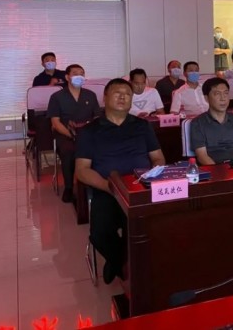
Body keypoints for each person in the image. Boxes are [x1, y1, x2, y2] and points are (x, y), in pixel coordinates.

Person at [76, 78, 165, 284]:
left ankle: (129, 266)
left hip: (140, 189)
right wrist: (109, 186)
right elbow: (82, 170)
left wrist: (151, 178)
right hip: (108, 190)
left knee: (153, 228)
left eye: (128, 94)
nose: (123, 97)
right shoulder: (90, 131)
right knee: (100, 234)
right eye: (118, 93)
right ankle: (119, 261)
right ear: (105, 97)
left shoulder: (142, 126)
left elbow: (158, 158)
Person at [47, 64, 101, 203]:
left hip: (88, 133)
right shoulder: (57, 97)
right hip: (66, 134)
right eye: (75, 73)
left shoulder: (90, 95)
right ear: (67, 77)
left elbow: (97, 117)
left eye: (82, 73)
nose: (79, 76)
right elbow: (55, 122)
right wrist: (71, 135)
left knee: (100, 148)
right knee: (69, 152)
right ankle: (69, 187)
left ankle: (96, 183)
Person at [190, 77, 233, 165]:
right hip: (213, 169)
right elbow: (202, 156)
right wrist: (219, 171)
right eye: (217, 94)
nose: (223, 98)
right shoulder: (197, 123)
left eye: (226, 93)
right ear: (206, 98)